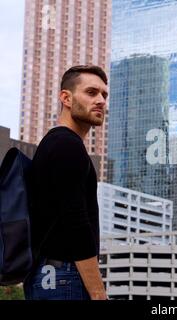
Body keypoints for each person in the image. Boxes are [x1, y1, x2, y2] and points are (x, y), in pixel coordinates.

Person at [23, 65, 109, 300]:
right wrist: (98, 293)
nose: (101, 100)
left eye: (104, 94)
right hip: (63, 276)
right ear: (66, 98)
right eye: (91, 93)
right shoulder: (65, 145)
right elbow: (76, 222)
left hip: (52, 275)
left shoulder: (57, 143)